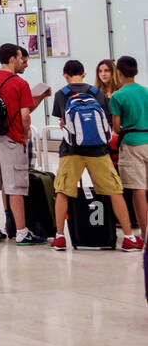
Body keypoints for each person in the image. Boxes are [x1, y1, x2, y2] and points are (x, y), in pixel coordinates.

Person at [51, 59, 140, 250]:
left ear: (65, 75)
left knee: (63, 191)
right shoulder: (96, 92)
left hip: (71, 150)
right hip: (99, 151)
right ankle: (129, 237)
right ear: (83, 74)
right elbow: (106, 120)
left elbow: (63, 122)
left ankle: (59, 237)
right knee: (115, 190)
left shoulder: (61, 94)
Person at [0, 43, 42, 245]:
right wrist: (24, 135)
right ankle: (22, 232)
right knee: (15, 187)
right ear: (12, 59)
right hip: (11, 139)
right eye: (19, 57)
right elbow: (25, 116)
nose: (21, 61)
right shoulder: (19, 83)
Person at [110, 55, 148, 241]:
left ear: (118, 73)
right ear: (136, 72)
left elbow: (116, 128)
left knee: (138, 189)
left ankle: (144, 233)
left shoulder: (117, 96)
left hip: (132, 144)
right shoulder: (146, 91)